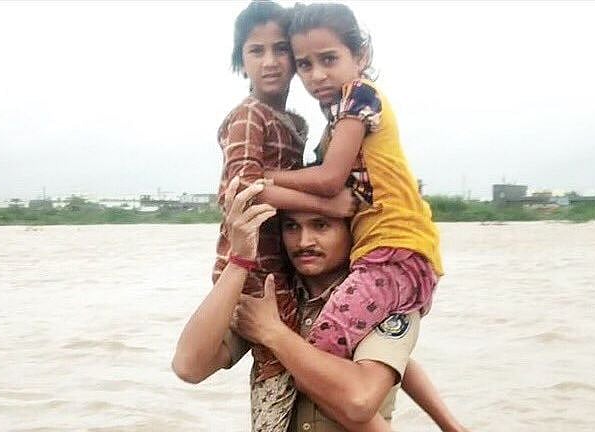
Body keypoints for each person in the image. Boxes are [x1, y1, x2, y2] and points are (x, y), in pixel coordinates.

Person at [173, 180, 468, 432]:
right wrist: (239, 262)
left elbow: (359, 400)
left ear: (353, 229)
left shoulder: (382, 301)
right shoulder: (274, 297)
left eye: (321, 225)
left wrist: (273, 332)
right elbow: (189, 366)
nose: (304, 241)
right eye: (291, 226)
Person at [264, 3, 443, 367]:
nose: (317, 75)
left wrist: (265, 176)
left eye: (329, 59)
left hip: (393, 252)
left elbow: (329, 179)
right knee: (365, 348)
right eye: (305, 65)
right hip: (388, 252)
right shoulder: (338, 116)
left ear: (361, 56)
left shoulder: (360, 95)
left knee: (320, 348)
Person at [210, 2, 358, 430]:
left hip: (284, 264)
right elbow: (241, 188)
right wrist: (328, 205)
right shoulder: (248, 116)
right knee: (279, 374)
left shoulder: (294, 124)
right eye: (256, 51)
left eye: (280, 49)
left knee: (304, 365)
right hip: (254, 270)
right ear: (241, 60)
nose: (271, 61)